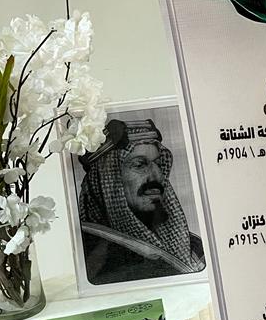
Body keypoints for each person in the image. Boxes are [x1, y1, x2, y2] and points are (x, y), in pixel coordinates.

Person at [78, 118, 205, 284]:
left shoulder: (193, 246)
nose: (157, 176)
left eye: (158, 164)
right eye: (139, 165)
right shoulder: (90, 252)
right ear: (107, 179)